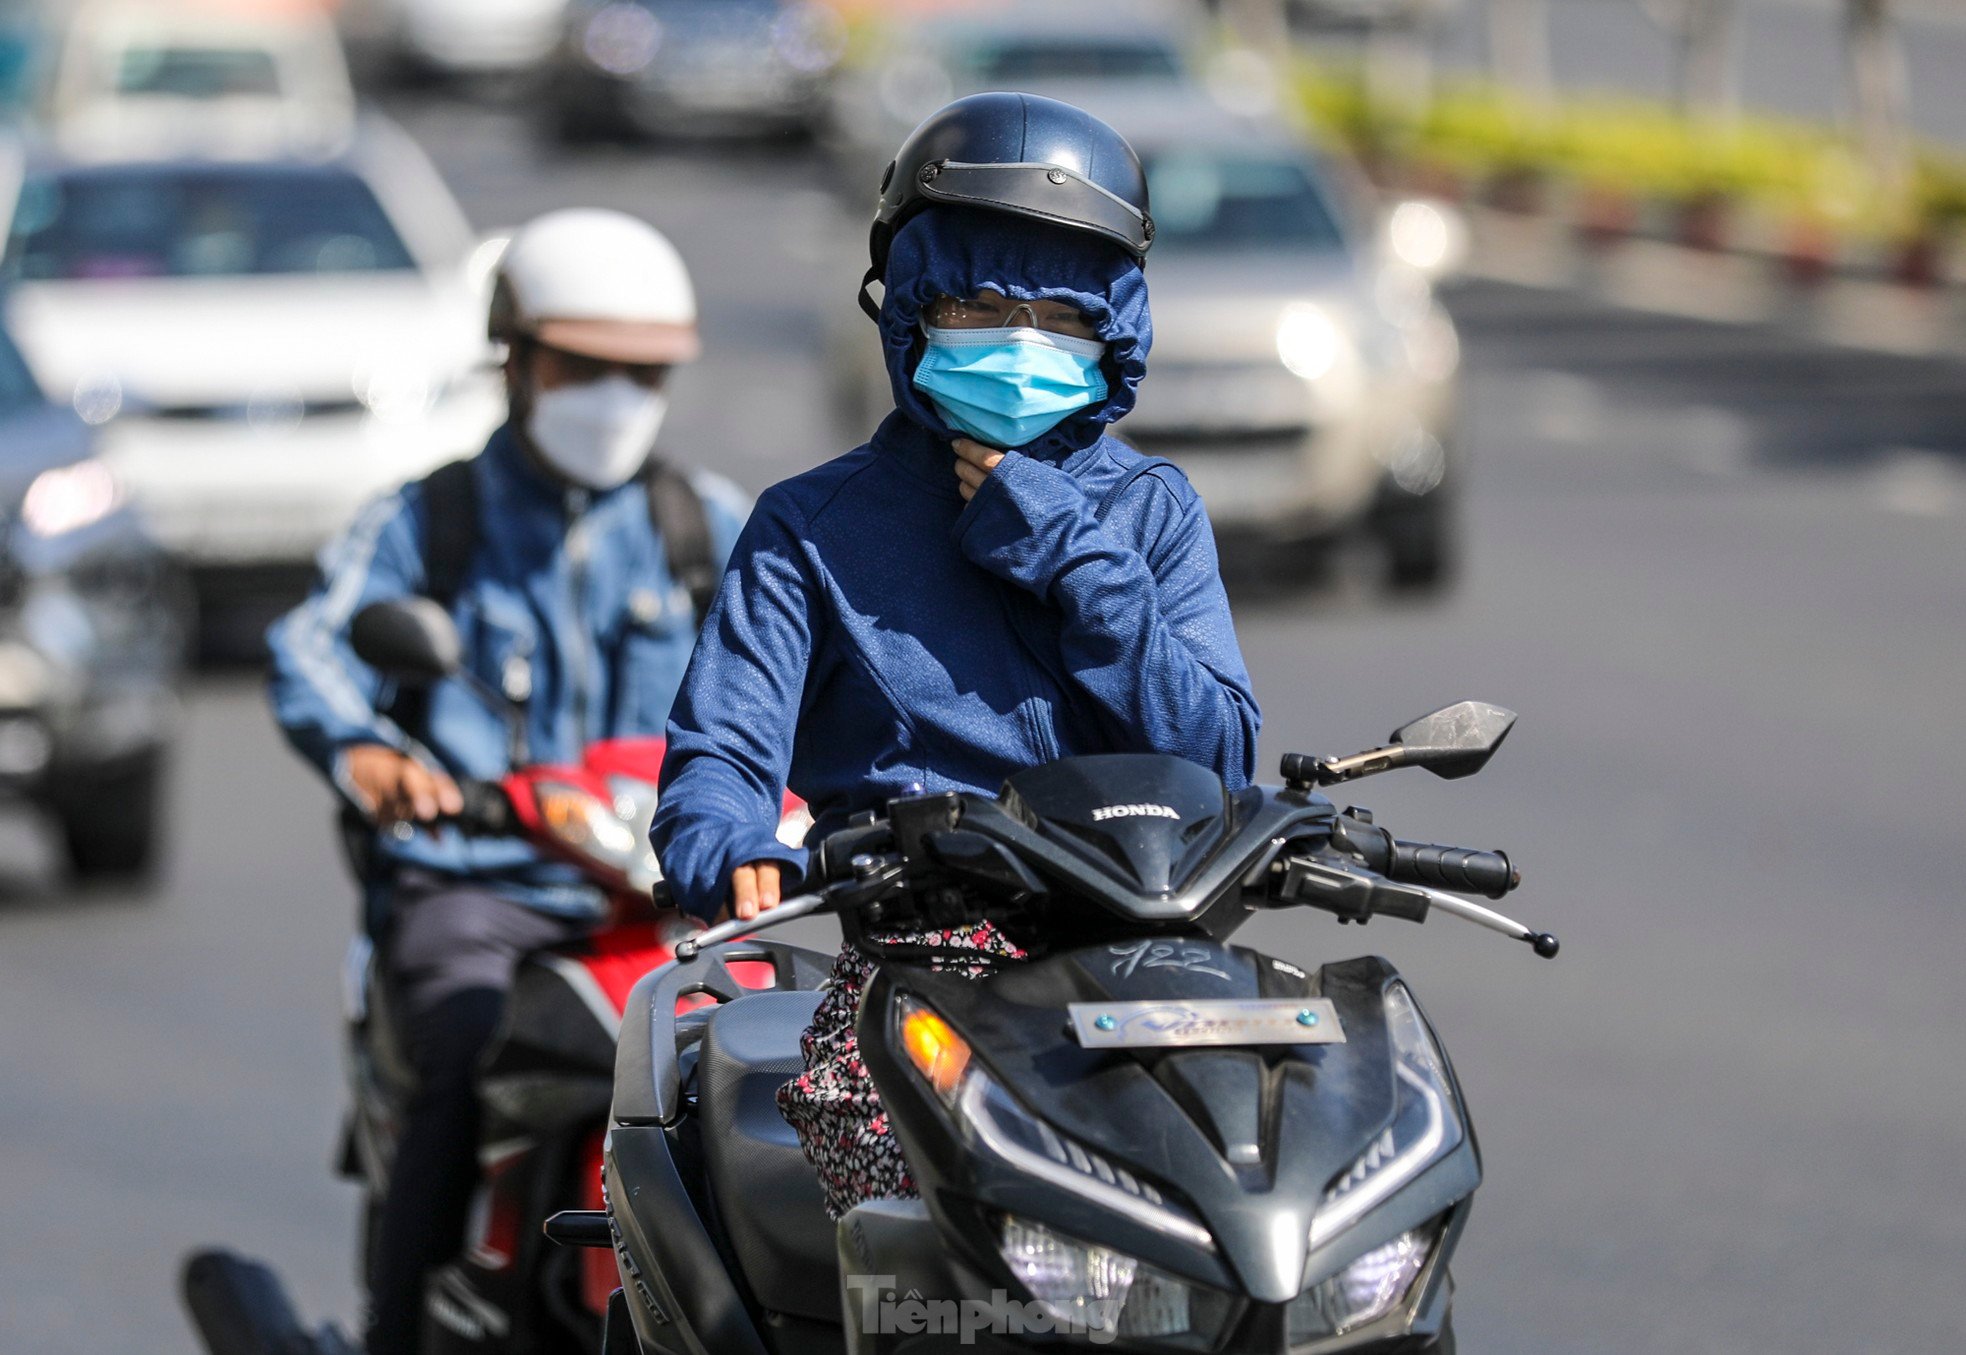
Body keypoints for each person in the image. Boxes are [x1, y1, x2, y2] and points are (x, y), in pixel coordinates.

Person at [649, 93, 1260, 1217]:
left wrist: (1075, 557)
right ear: (911, 313)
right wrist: (725, 841)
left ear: (1113, 326)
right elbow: (720, 750)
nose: (1021, 338)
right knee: (906, 1215)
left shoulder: (1154, 515)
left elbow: (1218, 753)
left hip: (1157, 963)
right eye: (981, 300)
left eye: (1059, 312)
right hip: (919, 976)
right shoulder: (808, 528)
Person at [266, 208, 748, 1355]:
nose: (612, 395)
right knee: (460, 1038)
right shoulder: (428, 518)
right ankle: (399, 1321)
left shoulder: (706, 525)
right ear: (516, 360)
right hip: (483, 879)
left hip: (672, 893)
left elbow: (803, 671)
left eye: (640, 373)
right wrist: (367, 752)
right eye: (582, 365)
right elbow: (315, 645)